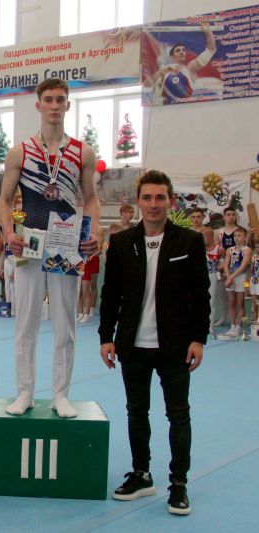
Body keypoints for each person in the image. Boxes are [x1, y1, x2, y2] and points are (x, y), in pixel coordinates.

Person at [99, 170, 209, 516]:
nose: (153, 204)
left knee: (178, 415)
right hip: (132, 345)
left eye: (160, 197)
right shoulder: (122, 243)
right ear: (138, 202)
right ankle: (141, 474)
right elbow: (110, 294)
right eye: (147, 197)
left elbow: (200, 295)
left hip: (175, 346)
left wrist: (199, 339)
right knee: (136, 412)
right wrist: (106, 337)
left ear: (171, 201)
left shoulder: (188, 242)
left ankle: (179, 484)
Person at [0, 77, 99, 418]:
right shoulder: (20, 152)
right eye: (49, 100)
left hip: (66, 244)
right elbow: (4, 199)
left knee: (64, 324)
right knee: (25, 323)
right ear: (38, 105)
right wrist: (9, 232)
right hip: (29, 243)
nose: (54, 106)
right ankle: (24, 392)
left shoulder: (82, 152)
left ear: (68, 105)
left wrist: (93, 230)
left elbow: (91, 199)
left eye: (60, 100)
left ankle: (61, 395)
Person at [152, 22, 217, 105]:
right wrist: (161, 70)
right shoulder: (164, 71)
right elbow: (147, 84)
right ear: (171, 56)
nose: (182, 52)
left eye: (183, 50)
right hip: (168, 110)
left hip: (187, 109)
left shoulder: (190, 68)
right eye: (178, 50)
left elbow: (210, 50)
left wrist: (208, 32)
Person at [223, 227, 252, 337]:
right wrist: (228, 277)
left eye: (239, 236)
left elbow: (243, 266)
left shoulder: (247, 250)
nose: (236, 238)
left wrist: (231, 277)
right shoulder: (229, 250)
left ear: (245, 238)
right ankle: (232, 326)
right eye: (235, 236)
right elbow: (226, 265)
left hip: (241, 277)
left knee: (240, 303)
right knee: (231, 302)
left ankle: (238, 327)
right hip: (230, 277)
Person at [77, 227, 105, 324]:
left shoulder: (99, 229)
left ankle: (90, 309)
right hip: (82, 261)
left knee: (92, 285)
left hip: (92, 259)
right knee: (80, 290)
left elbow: (100, 248)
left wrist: (92, 256)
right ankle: (81, 313)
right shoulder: (81, 227)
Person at [201, 227, 225, 329]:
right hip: (201, 276)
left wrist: (218, 265)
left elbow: (224, 264)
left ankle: (210, 324)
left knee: (211, 300)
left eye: (203, 237)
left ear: (210, 236)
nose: (201, 239)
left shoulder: (219, 249)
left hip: (213, 275)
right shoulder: (198, 248)